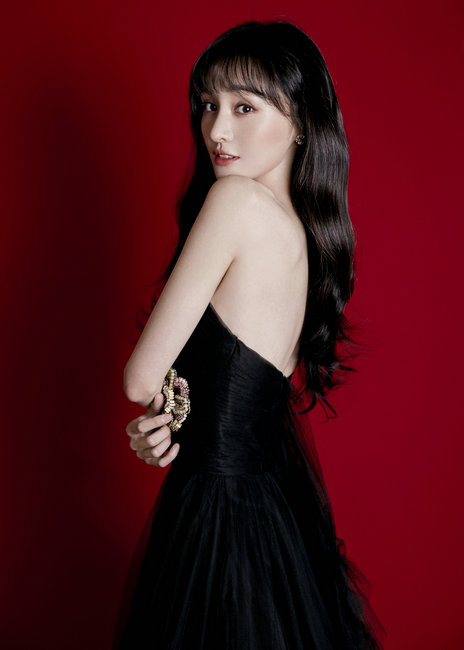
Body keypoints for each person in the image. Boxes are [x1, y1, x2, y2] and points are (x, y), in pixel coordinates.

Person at [112, 20, 385, 649]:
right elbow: (237, 387)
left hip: (217, 510)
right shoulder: (304, 233)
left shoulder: (235, 201)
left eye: (244, 107)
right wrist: (175, 417)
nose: (216, 129)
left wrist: (164, 405)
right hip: (270, 505)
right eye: (208, 105)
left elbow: (138, 379)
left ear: (300, 122)